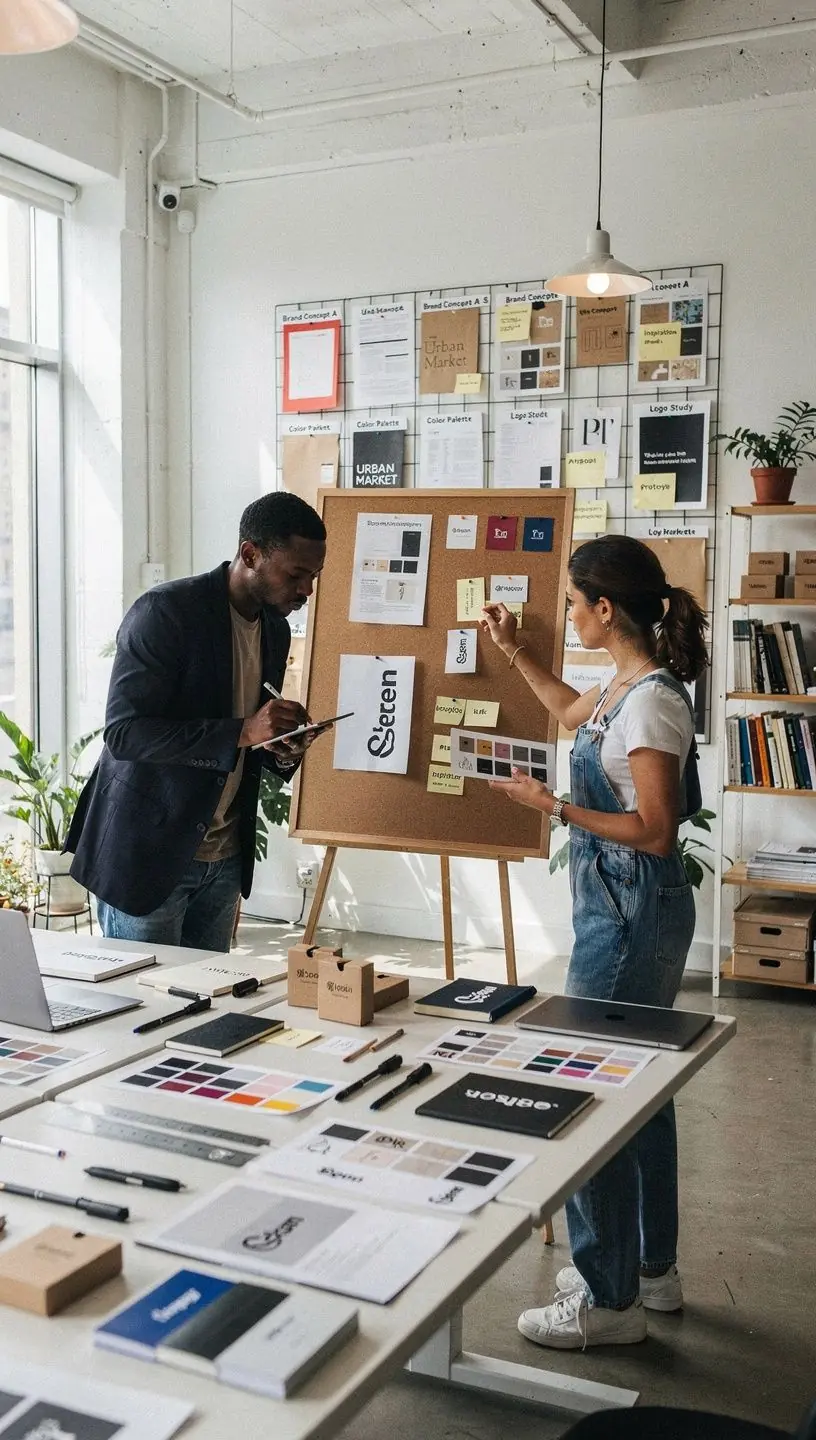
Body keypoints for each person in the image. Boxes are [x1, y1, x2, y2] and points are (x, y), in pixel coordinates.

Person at [481, 534, 708, 1350]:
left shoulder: (650, 701)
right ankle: (651, 1272)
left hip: (627, 908)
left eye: (574, 603)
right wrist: (515, 654)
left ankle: (608, 1302)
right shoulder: (626, 685)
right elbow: (573, 713)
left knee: (594, 1098)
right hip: (624, 907)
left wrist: (553, 808)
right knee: (642, 1096)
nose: (567, 615)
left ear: (605, 609)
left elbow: (653, 830)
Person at [67, 491, 326, 952]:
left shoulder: (275, 628)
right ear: (250, 553)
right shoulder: (165, 613)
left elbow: (242, 736)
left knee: (208, 1007)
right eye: (296, 574)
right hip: (150, 854)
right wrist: (245, 730)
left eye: (312, 577)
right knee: (144, 1007)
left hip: (223, 858)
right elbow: (125, 733)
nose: (306, 590)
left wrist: (280, 744)